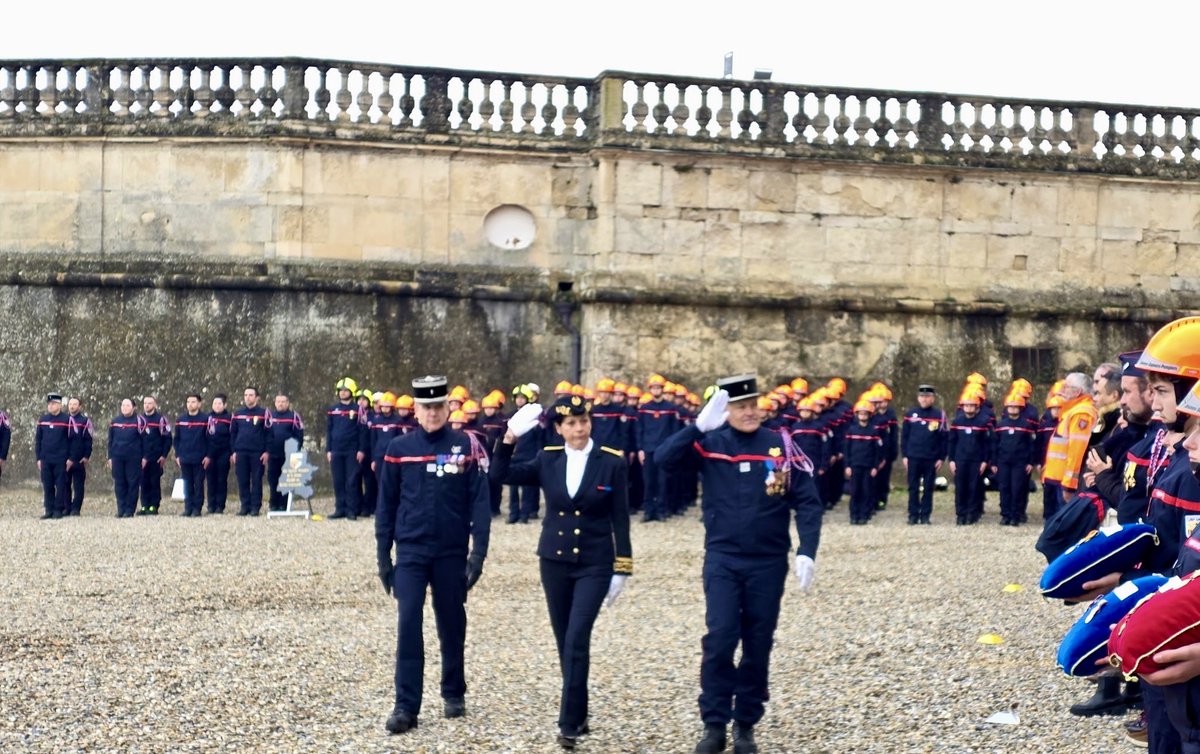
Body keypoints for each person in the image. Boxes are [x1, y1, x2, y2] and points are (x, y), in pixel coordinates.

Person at [656, 373, 823, 754]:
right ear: (725, 410)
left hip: (768, 561)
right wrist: (697, 427)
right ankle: (714, 723)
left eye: (753, 405)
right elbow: (663, 460)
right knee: (720, 638)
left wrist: (807, 549)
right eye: (740, 406)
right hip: (724, 559)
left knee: (757, 642)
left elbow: (807, 502)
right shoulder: (710, 443)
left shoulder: (779, 444)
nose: (749, 412)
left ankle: (745, 723)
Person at [491, 394, 632, 749]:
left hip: (595, 562)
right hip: (554, 561)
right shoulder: (548, 458)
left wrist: (623, 566)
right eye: (571, 423)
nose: (579, 428)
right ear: (558, 428)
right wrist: (509, 437)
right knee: (564, 640)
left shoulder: (611, 461)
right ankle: (580, 712)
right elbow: (499, 474)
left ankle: (568, 723)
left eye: (584, 421)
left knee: (577, 637)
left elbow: (620, 517)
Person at [375, 375, 492, 735]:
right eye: (426, 407)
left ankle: (453, 691)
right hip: (411, 551)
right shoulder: (398, 448)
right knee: (409, 623)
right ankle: (405, 706)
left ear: (447, 408)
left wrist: (478, 555)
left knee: (451, 622)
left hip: (450, 552)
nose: (433, 413)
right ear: (416, 409)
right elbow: (386, 505)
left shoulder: (466, 446)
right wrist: (383, 558)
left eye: (438, 406)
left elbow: (480, 503)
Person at [1041, 372, 1098, 510]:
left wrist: (1069, 485)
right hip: (1057, 479)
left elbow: (1077, 452)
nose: (1062, 390)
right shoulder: (1072, 411)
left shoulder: (1081, 413)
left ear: (1077, 391)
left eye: (1066, 386)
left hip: (1064, 483)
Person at [901, 385, 947, 525]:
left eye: (927, 396)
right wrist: (905, 456)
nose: (924, 399)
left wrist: (941, 457)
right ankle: (913, 515)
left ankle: (925, 515)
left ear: (932, 398)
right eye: (922, 396)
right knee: (913, 487)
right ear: (918, 398)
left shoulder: (939, 415)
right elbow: (904, 437)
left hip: (931, 458)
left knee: (928, 488)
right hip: (913, 457)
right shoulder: (910, 414)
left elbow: (944, 439)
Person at [991, 392, 1036, 525]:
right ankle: (1005, 515)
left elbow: (1031, 445)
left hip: (1020, 462)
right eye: (1011, 407)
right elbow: (995, 444)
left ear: (1020, 408)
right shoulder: (1001, 425)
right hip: (1003, 462)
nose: (1013, 409)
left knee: (1017, 489)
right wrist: (994, 462)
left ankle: (1016, 516)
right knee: (1004, 488)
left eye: (1015, 407)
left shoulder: (1026, 425)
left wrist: (1030, 462)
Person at [948, 390, 990, 525]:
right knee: (960, 488)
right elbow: (952, 442)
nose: (969, 408)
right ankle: (960, 514)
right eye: (967, 405)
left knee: (974, 488)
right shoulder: (957, 422)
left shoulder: (983, 422)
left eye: (972, 405)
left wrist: (985, 461)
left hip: (976, 461)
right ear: (962, 407)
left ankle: (971, 514)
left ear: (977, 407)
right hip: (960, 460)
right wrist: (951, 460)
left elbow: (986, 444)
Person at [327, 377, 367, 520]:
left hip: (352, 450)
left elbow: (363, 431)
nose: (343, 393)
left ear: (351, 391)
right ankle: (340, 508)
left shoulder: (358, 410)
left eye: (345, 390)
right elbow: (329, 430)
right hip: (336, 450)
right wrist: (328, 450)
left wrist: (361, 450)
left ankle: (351, 510)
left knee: (352, 481)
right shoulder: (333, 410)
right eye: (341, 390)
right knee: (338, 480)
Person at [231, 386, 270, 516]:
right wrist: (233, 451)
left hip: (257, 452)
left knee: (257, 480)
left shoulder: (263, 413)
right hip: (241, 451)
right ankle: (245, 506)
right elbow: (233, 433)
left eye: (251, 395)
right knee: (242, 480)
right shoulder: (238, 414)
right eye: (246, 395)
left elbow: (269, 434)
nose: (248, 398)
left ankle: (255, 507)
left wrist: (267, 451)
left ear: (257, 398)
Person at [843, 398, 883, 525]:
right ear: (856, 415)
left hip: (868, 466)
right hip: (854, 465)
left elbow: (877, 451)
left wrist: (875, 467)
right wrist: (847, 466)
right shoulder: (851, 430)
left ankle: (864, 515)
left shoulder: (874, 431)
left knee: (866, 491)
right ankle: (854, 515)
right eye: (860, 414)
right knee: (855, 491)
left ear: (869, 415)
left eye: (865, 414)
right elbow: (847, 450)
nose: (863, 416)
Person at [266, 393, 304, 512]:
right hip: (273, 454)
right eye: (278, 401)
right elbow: (266, 434)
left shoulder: (294, 416)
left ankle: (284, 504)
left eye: (283, 402)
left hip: (288, 455)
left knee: (286, 480)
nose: (280, 404)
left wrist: (295, 451)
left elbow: (299, 435)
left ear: (287, 403)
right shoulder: (270, 416)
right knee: (273, 480)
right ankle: (273, 504)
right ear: (275, 403)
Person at [35, 393, 71, 519]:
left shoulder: (67, 420)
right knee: (47, 484)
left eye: (53, 404)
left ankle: (58, 509)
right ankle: (49, 509)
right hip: (46, 458)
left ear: (59, 405)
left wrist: (70, 458)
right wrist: (38, 458)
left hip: (61, 458)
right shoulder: (43, 420)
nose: (50, 406)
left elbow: (72, 440)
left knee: (61, 485)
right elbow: (38, 439)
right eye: (49, 404)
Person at [174, 394, 210, 517]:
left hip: (200, 457)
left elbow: (210, 439)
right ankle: (188, 507)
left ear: (199, 404)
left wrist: (208, 455)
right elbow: (177, 439)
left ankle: (197, 508)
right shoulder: (181, 419)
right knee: (187, 484)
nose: (190, 404)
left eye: (193, 402)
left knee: (198, 484)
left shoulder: (206, 419)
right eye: (188, 402)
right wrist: (177, 455)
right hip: (185, 457)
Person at [108, 398, 143, 518]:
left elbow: (144, 440)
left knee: (132, 483)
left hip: (133, 457)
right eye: (123, 405)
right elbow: (110, 440)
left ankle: (129, 509)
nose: (125, 408)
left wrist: (144, 457)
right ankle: (121, 508)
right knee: (119, 483)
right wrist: (110, 456)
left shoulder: (139, 421)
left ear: (134, 407)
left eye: (128, 405)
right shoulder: (115, 421)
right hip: (117, 456)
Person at [138, 395, 172, 515]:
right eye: (145, 403)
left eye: (150, 403)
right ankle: (144, 505)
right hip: (142, 457)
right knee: (143, 482)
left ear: (155, 405)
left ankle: (154, 506)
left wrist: (164, 455)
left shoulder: (161, 419)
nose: (147, 405)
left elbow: (167, 438)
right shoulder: (139, 420)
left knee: (154, 482)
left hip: (156, 457)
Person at [65, 397, 93, 515]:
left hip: (79, 458)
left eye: (75, 404)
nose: (72, 406)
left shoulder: (85, 421)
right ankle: (66, 507)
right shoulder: (64, 420)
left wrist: (86, 455)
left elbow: (88, 440)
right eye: (70, 404)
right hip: (65, 458)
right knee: (65, 484)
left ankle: (76, 508)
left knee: (78, 485)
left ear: (80, 406)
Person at [205, 393, 233, 514]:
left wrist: (231, 452)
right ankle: (211, 505)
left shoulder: (229, 418)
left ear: (225, 405)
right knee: (210, 479)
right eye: (215, 403)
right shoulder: (207, 418)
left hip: (224, 452)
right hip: (209, 453)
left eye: (219, 403)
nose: (217, 405)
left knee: (222, 479)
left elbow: (232, 435)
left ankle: (220, 505)